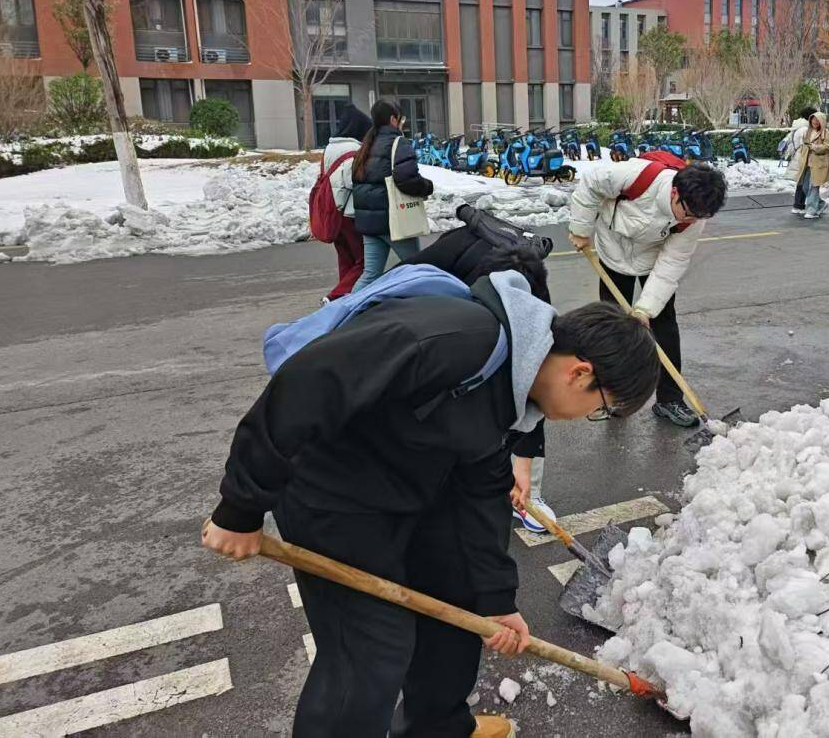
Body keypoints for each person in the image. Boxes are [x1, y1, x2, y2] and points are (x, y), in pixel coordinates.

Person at [203, 279, 660, 737]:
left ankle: (436, 728)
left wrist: (496, 600)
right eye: (602, 408)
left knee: (456, 595)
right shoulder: (452, 342)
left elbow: (482, 490)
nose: (589, 418)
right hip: (329, 491)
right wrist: (241, 507)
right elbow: (307, 383)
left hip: (403, 486)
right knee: (372, 645)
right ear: (580, 374)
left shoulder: (515, 389)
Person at [401, 206, 558, 534]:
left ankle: (527, 494)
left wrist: (525, 469)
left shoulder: (533, 299)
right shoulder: (438, 267)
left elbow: (534, 386)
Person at [568, 158, 728, 427]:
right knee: (613, 329)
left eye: (697, 217)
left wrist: (645, 309)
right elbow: (591, 183)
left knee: (664, 326)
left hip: (651, 260)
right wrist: (580, 228)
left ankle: (669, 400)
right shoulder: (637, 176)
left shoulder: (694, 218)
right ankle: (615, 396)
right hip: (612, 252)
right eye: (687, 212)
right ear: (676, 192)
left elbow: (671, 264)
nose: (690, 220)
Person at [351, 100, 434, 294]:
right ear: (393, 119)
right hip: (393, 220)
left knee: (370, 274)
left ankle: (343, 312)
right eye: (400, 118)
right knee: (418, 268)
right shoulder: (398, 143)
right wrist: (426, 187)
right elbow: (406, 178)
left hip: (369, 222)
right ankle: (427, 310)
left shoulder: (366, 145)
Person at [320, 107, 373, 302]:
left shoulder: (329, 149)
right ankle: (335, 297)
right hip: (349, 213)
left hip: (332, 211)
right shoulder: (353, 151)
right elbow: (353, 181)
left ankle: (345, 298)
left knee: (345, 259)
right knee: (364, 260)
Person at [789, 112, 829, 220]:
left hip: (818, 164)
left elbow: (828, 147)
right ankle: (821, 204)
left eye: (817, 120)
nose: (815, 122)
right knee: (804, 186)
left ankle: (811, 211)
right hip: (806, 163)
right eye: (813, 120)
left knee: (814, 187)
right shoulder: (808, 132)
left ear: (821, 122)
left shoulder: (825, 133)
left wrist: (815, 147)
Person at [782, 105, 818, 213]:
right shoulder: (805, 129)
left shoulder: (797, 127)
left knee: (801, 182)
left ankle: (798, 205)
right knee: (804, 182)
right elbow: (807, 145)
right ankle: (799, 205)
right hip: (803, 157)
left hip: (798, 156)